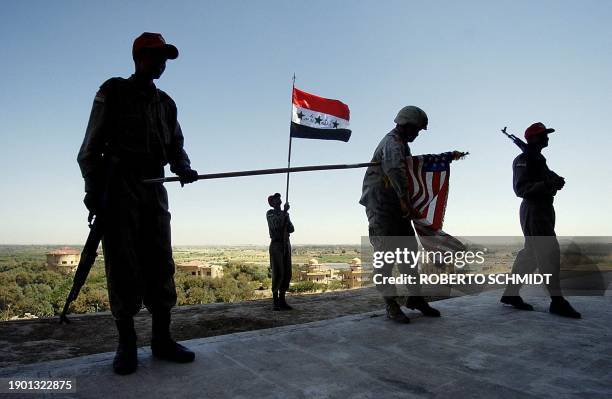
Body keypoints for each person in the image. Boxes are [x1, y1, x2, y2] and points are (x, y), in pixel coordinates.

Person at [77, 32, 199, 374]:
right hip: (119, 188)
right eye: (156, 56)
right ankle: (127, 344)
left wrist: (184, 168)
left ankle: (161, 340)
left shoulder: (167, 103)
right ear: (139, 57)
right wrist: (95, 189)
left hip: (154, 186)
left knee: (161, 261)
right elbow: (90, 149)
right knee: (123, 265)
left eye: (165, 57)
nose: (162, 63)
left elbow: (175, 145)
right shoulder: (113, 91)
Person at [360, 106, 462, 323]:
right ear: (407, 126)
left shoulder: (401, 145)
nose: (418, 134)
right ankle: (390, 304)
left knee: (408, 254)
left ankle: (415, 298)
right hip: (382, 209)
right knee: (386, 258)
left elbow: (412, 167)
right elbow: (396, 171)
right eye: (417, 130)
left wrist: (444, 158)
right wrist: (406, 204)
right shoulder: (393, 144)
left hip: (397, 208)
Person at [500, 122, 581, 318]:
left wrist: (555, 180)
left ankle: (511, 294)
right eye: (543, 135)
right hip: (534, 209)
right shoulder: (524, 159)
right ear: (533, 138)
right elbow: (521, 189)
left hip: (543, 209)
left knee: (530, 254)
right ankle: (557, 301)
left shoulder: (539, 160)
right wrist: (546, 184)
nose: (547, 138)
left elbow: (548, 179)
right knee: (548, 251)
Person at [266, 193, 294, 311]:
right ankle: (275, 301)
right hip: (276, 245)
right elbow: (276, 225)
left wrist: (286, 215)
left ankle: (282, 300)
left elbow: (292, 229)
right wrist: (284, 213)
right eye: (276, 199)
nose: (279, 201)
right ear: (272, 203)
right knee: (278, 272)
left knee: (287, 273)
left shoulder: (284, 214)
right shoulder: (270, 213)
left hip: (285, 244)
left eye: (279, 199)